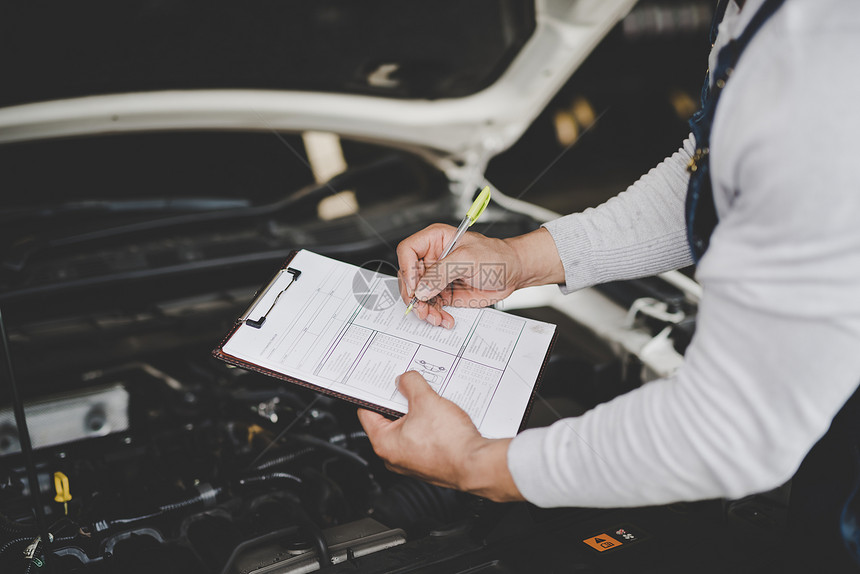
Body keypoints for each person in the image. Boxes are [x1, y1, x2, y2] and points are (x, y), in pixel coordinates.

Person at [357, 0, 860, 567]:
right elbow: (715, 170)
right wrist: (519, 258)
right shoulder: (758, 16)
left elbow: (731, 429)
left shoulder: (829, 55)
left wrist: (477, 464)